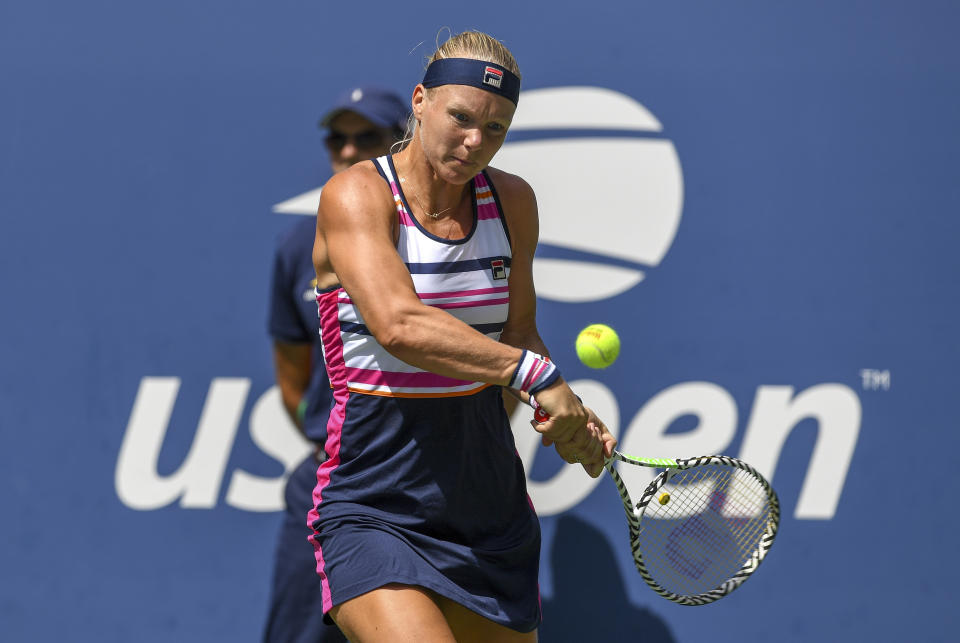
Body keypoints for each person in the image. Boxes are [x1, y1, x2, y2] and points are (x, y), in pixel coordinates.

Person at [308, 31, 618, 642]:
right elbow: (397, 324)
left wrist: (567, 417)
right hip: (375, 502)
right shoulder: (356, 194)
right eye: (462, 118)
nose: (476, 141)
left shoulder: (512, 201)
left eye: (497, 128)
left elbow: (520, 334)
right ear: (420, 102)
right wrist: (536, 377)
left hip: (487, 506)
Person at [262, 86, 409, 643]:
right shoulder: (298, 244)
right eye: (336, 139)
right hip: (334, 482)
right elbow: (291, 372)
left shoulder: (441, 241)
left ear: (400, 144)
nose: (347, 152)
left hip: (433, 484)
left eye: (365, 137)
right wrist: (338, 439)